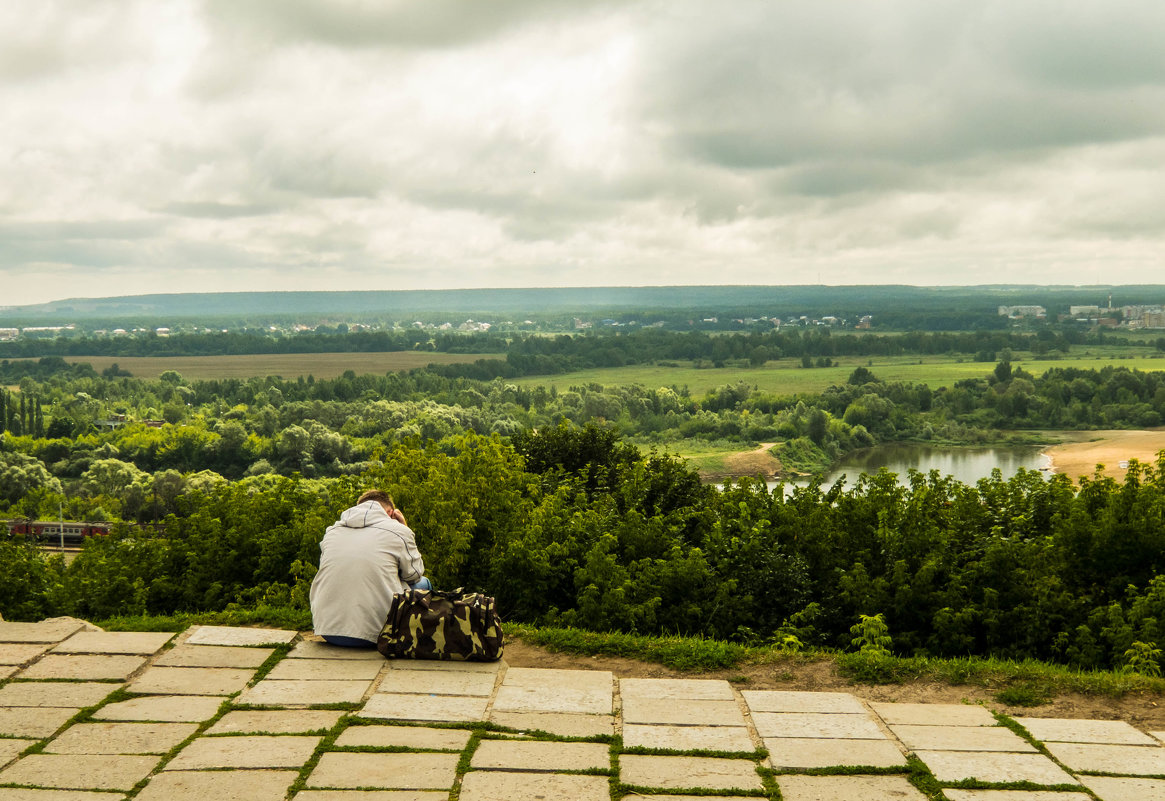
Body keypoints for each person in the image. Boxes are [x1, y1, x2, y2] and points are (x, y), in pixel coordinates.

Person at [310, 489, 431, 647]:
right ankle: (414, 638)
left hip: (328, 632)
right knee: (424, 583)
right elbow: (414, 575)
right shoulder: (399, 531)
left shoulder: (331, 532)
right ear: (390, 512)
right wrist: (404, 527)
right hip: (377, 635)